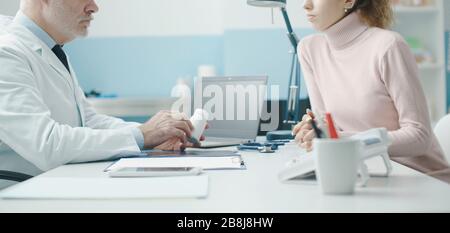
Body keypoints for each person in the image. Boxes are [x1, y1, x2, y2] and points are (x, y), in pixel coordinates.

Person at [0, 0, 204, 186]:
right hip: (23, 193)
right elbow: (46, 143)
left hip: (57, 183)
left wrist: (160, 133)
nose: (94, 7)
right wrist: (143, 135)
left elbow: (89, 121)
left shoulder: (52, 50)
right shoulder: (7, 52)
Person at [292, 0, 450, 183]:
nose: (306, 5)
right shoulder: (309, 49)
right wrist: (314, 131)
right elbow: (326, 125)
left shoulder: (388, 46)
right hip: (368, 173)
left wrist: (340, 139)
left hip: (424, 180)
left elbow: (419, 137)